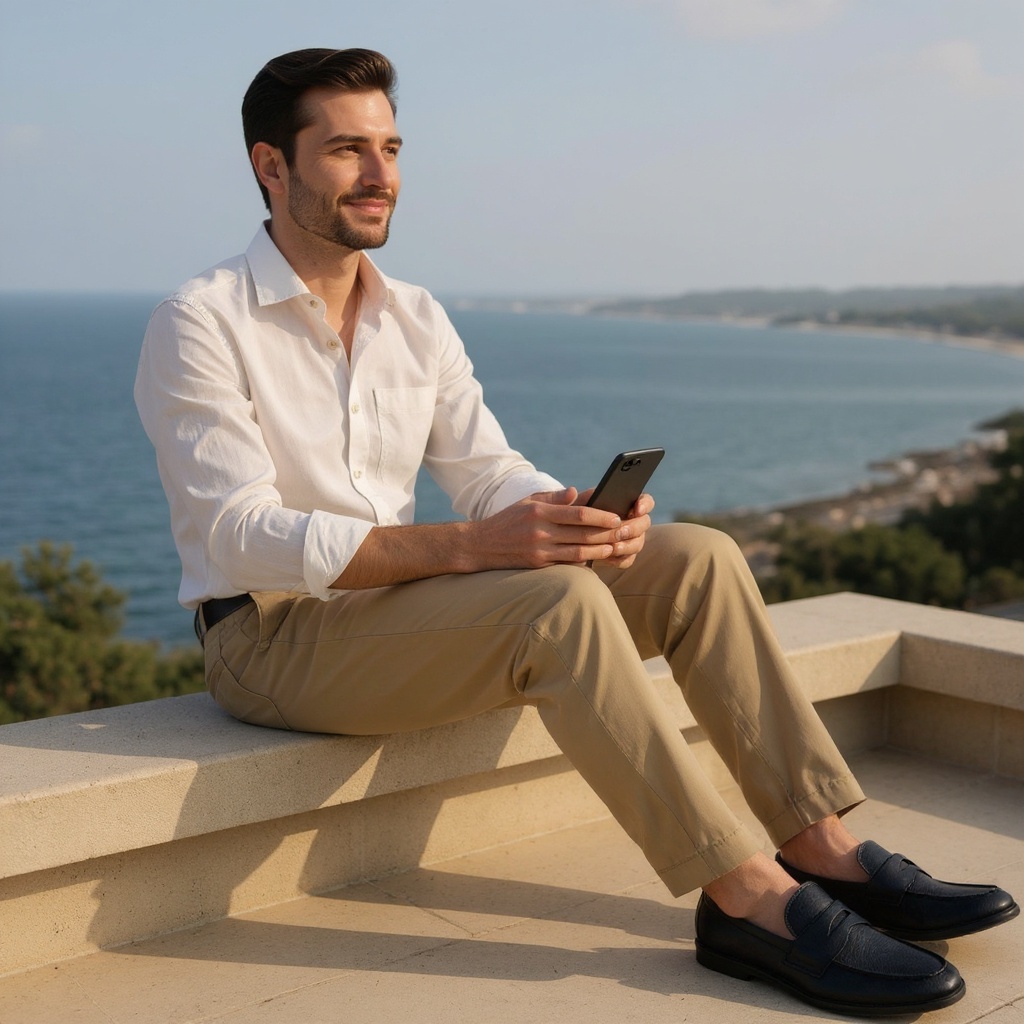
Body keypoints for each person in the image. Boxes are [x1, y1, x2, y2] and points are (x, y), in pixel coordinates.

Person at [135, 47, 1017, 1017]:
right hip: (269, 638)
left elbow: (483, 472)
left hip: (387, 613)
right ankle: (746, 898)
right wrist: (479, 549)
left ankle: (820, 845)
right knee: (551, 604)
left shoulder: (413, 317)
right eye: (347, 150)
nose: (382, 174)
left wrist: (570, 517)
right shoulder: (201, 320)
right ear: (272, 166)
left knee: (700, 561)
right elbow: (239, 533)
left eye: (390, 147)